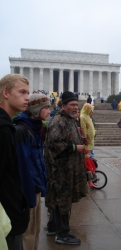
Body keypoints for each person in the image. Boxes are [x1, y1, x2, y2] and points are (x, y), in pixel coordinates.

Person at [44, 91, 87, 245]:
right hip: (61, 170)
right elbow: (55, 144)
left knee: (57, 200)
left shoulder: (69, 119)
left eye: (77, 104)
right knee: (63, 201)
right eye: (72, 105)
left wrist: (80, 146)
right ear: (63, 106)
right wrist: (76, 148)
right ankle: (63, 234)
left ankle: (53, 227)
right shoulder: (58, 121)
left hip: (68, 168)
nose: (76, 107)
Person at [13, 94, 51, 250]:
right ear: (36, 109)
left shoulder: (37, 128)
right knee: (27, 233)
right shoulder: (22, 130)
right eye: (47, 107)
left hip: (35, 186)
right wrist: (28, 194)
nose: (50, 111)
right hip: (27, 190)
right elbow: (23, 166)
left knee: (35, 230)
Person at [0, 74, 30, 250]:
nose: (27, 97)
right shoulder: (3, 130)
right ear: (6, 93)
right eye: (22, 92)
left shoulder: (7, 126)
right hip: (7, 219)